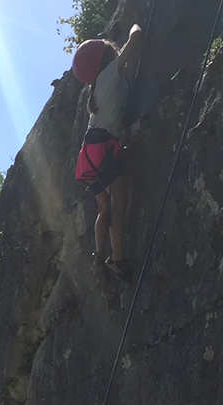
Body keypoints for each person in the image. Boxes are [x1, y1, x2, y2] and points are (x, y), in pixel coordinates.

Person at [72, 24, 144, 282]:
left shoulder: (95, 87)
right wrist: (135, 24)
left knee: (104, 208)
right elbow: (135, 39)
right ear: (105, 59)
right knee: (119, 203)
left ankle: (98, 255)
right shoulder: (112, 72)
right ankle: (118, 257)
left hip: (89, 153)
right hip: (104, 148)